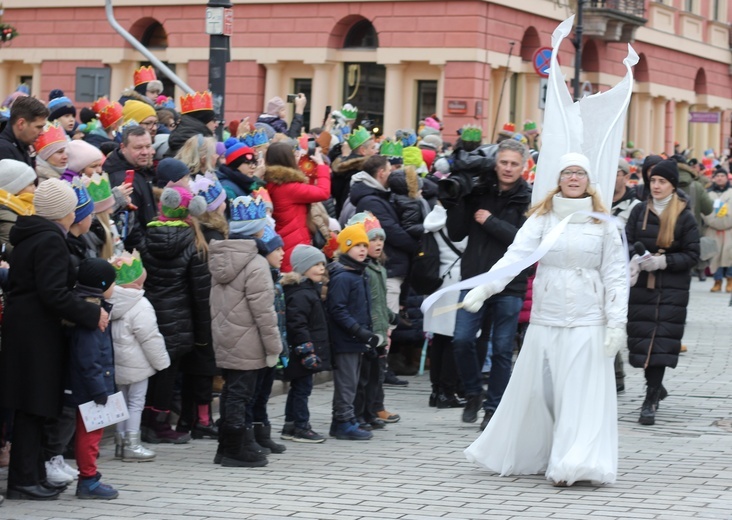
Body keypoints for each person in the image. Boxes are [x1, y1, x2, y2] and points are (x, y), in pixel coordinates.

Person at [463, 152, 627, 487]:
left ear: (588, 180)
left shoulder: (603, 223)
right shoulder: (542, 218)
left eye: (579, 173)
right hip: (547, 316)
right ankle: (539, 453)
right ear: (558, 179)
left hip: (587, 318)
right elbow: (516, 257)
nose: (573, 178)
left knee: (580, 393)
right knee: (542, 393)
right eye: (567, 172)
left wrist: (616, 323)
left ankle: (575, 462)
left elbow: (616, 275)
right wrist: (485, 289)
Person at [0, 178, 105, 500]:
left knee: (33, 408)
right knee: (33, 408)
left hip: (27, 332)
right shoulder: (49, 241)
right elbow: (53, 293)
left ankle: (30, 476)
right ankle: (23, 481)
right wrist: (90, 313)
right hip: (37, 336)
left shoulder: (32, 236)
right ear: (65, 212)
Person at [443, 138, 532, 428]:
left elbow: (525, 242)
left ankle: (494, 408)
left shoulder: (528, 199)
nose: (507, 168)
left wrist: (490, 221)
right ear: (496, 163)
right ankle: (472, 393)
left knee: (503, 348)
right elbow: (456, 234)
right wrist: (454, 203)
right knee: (462, 340)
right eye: (503, 162)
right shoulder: (479, 189)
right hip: (475, 277)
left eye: (513, 164)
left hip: (510, 284)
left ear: (524, 167)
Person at [626, 159, 700, 426]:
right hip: (642, 287)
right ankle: (655, 386)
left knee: (659, 342)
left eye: (662, 182)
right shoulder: (639, 212)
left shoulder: (684, 215)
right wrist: (634, 261)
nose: (656, 186)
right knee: (642, 340)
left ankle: (651, 397)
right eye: (653, 181)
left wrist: (664, 261)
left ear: (672, 185)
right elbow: (626, 242)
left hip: (671, 289)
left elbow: (693, 255)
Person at [208, 195, 280, 467]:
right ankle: (235, 449)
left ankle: (226, 446)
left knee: (230, 392)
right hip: (248, 339)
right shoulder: (256, 264)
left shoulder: (221, 257)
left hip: (225, 335)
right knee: (241, 394)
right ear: (258, 230)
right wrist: (274, 347)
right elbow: (264, 311)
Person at [139, 186, 210, 444]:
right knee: (168, 374)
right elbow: (200, 294)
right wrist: (203, 335)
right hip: (179, 318)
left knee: (150, 371)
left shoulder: (146, 236)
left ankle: (145, 422)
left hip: (149, 313)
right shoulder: (194, 243)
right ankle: (158, 425)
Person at [64, 258, 119, 499]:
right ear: (102, 285)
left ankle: (88, 475)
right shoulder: (91, 315)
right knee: (90, 434)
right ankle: (88, 479)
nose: (114, 288)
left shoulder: (87, 306)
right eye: (112, 283)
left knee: (87, 432)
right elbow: (89, 357)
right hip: (90, 386)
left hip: (88, 382)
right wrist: (99, 389)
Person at [108, 251, 170, 462]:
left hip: (116, 363)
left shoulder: (109, 302)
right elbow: (150, 337)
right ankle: (132, 444)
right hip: (136, 364)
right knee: (136, 402)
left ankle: (119, 441)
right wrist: (162, 362)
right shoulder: (140, 305)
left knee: (120, 402)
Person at [327, 222, 379, 441]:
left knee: (353, 381)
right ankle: (343, 422)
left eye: (363, 245)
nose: (362, 249)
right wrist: (359, 331)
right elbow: (337, 310)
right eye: (356, 245)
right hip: (346, 339)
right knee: (347, 383)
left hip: (356, 339)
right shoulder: (343, 277)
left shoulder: (359, 274)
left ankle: (345, 419)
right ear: (345, 248)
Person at [348, 212, 399, 430]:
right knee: (364, 377)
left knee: (377, 372)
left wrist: (392, 316)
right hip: (367, 330)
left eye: (380, 239)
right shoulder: (363, 271)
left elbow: (379, 302)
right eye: (372, 239)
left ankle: (371, 411)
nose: (377, 244)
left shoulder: (379, 268)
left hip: (380, 328)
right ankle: (360, 413)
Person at [281, 245, 331, 443]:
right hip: (302, 352)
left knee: (299, 388)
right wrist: (306, 351)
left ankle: (290, 425)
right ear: (302, 268)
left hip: (304, 350)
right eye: (315, 265)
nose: (321, 268)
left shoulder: (309, 290)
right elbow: (297, 324)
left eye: (322, 264)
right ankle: (301, 426)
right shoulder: (301, 293)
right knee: (302, 389)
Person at [423, 202, 467, 408]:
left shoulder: (433, 218)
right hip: (456, 280)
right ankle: (447, 392)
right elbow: (467, 245)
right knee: (451, 339)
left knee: (439, 339)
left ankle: (436, 391)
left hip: (436, 280)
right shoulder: (457, 219)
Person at [264, 141, 331, 271]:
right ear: (287, 160)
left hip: (284, 243)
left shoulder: (273, 183)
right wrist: (322, 166)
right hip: (294, 247)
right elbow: (323, 192)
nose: (298, 157)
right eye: (294, 154)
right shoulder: (288, 188)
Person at [611, 158, 641, 393]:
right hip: (598, 269)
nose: (612, 176)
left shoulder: (635, 206)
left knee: (616, 320)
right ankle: (613, 372)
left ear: (625, 175)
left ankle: (617, 373)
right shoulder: (594, 202)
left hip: (624, 271)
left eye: (617, 172)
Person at [331, 126, 377, 216]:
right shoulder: (360, 172)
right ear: (363, 150)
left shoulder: (343, 167)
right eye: (373, 148)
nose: (376, 151)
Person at [703, 167, 732, 293]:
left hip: (729, 229)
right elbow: (704, 211)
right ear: (714, 178)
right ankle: (717, 281)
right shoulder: (708, 194)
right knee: (714, 256)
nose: (720, 178)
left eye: (722, 176)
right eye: (717, 176)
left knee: (729, 256)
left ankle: (730, 280)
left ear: (727, 178)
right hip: (713, 230)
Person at [0, 158, 37, 254]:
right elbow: (12, 251)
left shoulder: (24, 209)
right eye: (31, 185)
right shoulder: (8, 217)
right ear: (14, 189)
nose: (35, 189)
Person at [0, 95, 49, 166]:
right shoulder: (4, 150)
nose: (42, 133)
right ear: (21, 124)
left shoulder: (22, 144)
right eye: (38, 127)